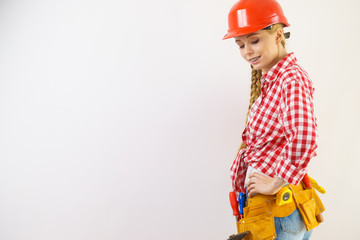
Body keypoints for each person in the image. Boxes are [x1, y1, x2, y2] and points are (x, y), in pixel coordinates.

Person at [223, 0, 324, 239]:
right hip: (271, 211)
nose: (247, 51)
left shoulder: (290, 79)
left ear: (278, 35)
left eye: (254, 40)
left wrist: (275, 183)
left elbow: (305, 138)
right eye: (240, 44)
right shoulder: (273, 82)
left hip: (277, 210)